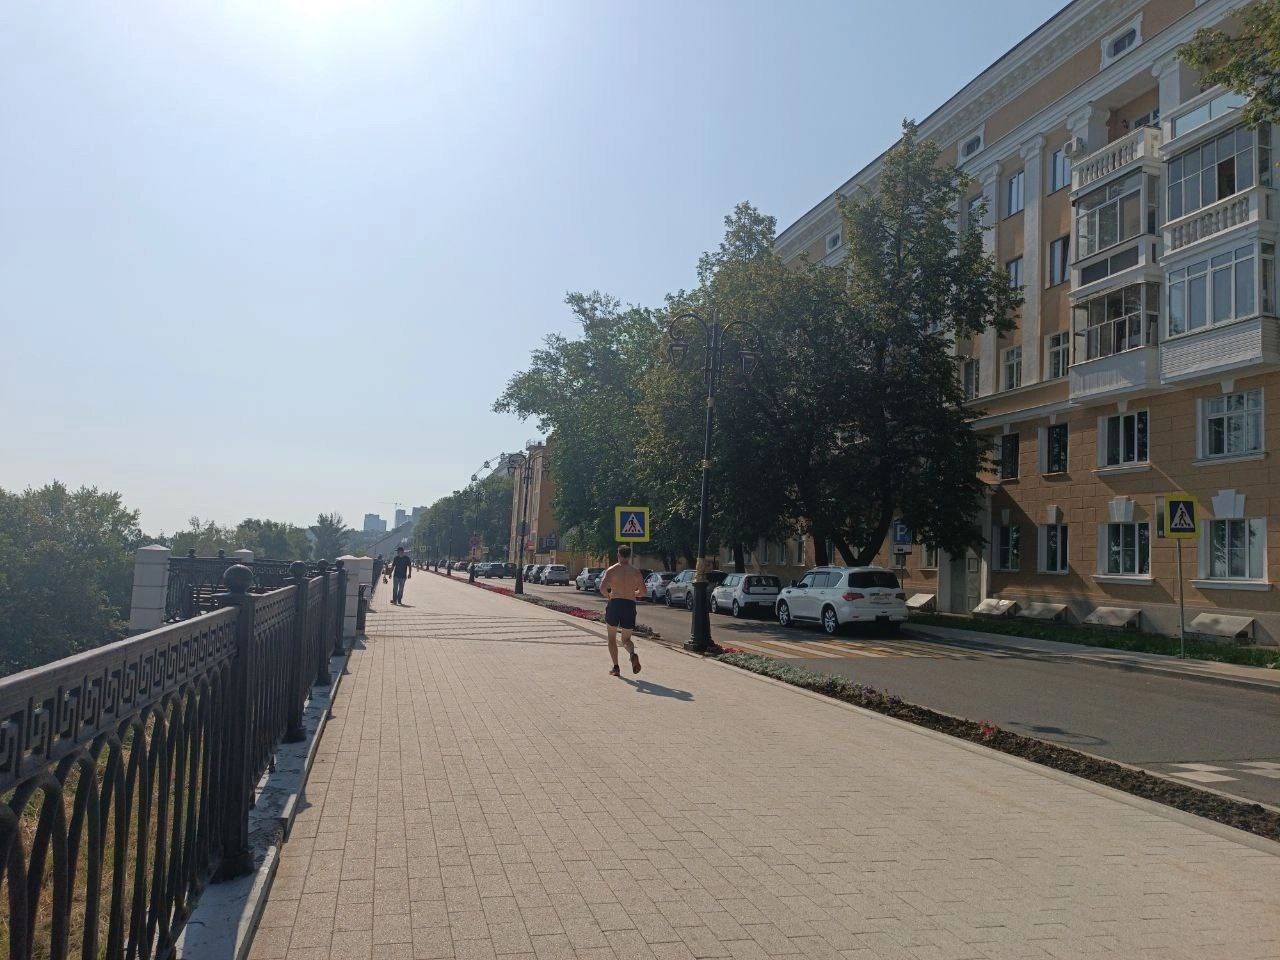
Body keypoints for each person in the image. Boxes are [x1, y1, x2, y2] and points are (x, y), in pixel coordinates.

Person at [598, 545, 643, 676]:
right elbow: (643, 592)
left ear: (618, 555)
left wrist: (609, 595)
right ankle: (632, 654)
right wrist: (633, 593)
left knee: (612, 638)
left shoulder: (612, 570)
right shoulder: (635, 572)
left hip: (615, 604)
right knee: (626, 639)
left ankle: (616, 667)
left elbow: (602, 589)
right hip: (629, 605)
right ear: (629, 556)